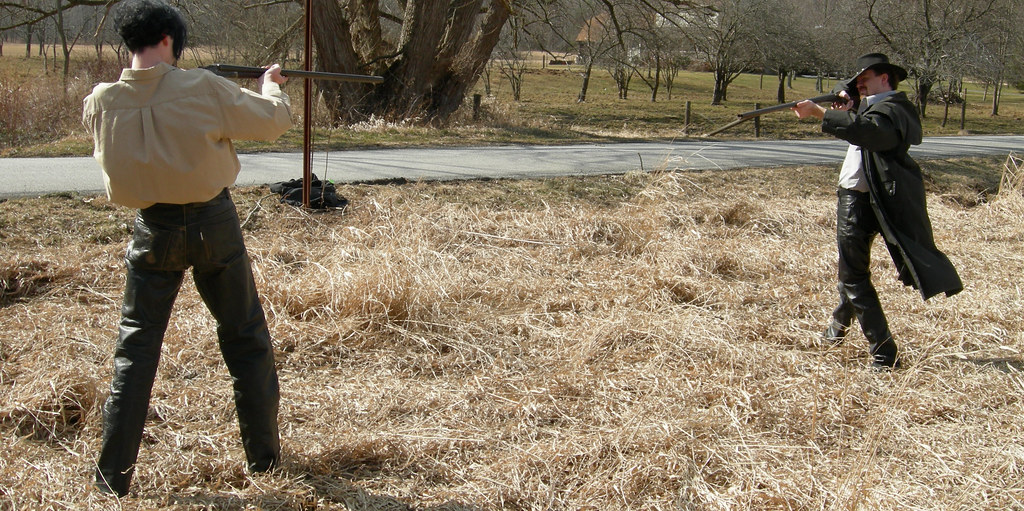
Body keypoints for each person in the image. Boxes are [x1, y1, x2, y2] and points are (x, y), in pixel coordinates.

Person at [82, 0, 292, 496]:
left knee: (135, 349)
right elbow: (272, 120)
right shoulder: (202, 86)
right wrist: (271, 84)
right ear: (171, 40)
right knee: (244, 337)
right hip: (212, 222)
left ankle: (113, 479)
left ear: (130, 43)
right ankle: (264, 461)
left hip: (151, 228)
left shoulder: (100, 100)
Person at [792, 53, 962, 369]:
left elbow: (871, 132)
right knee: (851, 270)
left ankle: (884, 353)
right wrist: (846, 96)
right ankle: (837, 327)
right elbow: (858, 112)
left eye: (864, 79)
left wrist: (822, 114)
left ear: (885, 78)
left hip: (871, 200)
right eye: (857, 82)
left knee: (853, 275)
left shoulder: (892, 110)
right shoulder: (872, 106)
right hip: (856, 197)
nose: (859, 86)